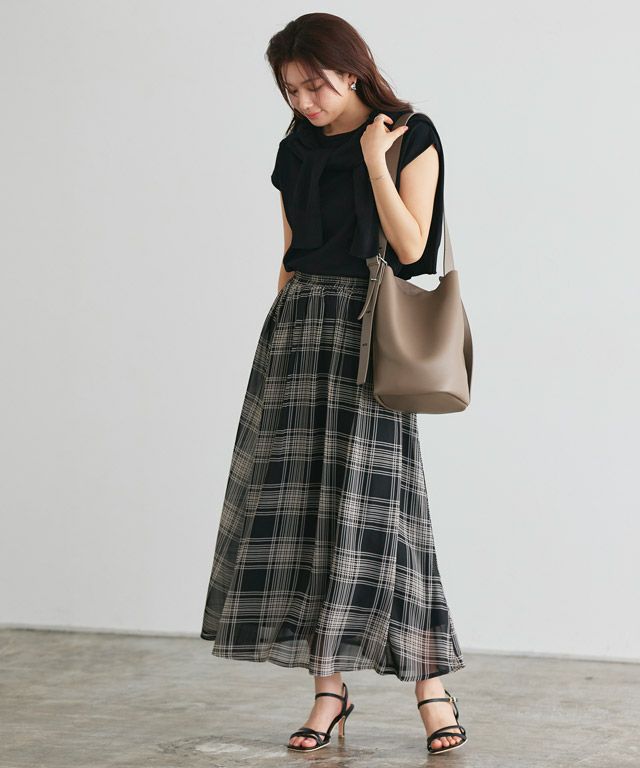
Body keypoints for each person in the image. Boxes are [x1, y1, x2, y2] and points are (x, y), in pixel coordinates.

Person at [200, 12, 468, 756]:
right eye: (290, 91)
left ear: (351, 71)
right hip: (298, 335)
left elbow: (412, 248)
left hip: (372, 334)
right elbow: (290, 253)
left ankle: (431, 688)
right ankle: (328, 692)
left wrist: (374, 160)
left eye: (314, 85)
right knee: (305, 517)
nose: (304, 102)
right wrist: (283, 323)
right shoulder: (295, 146)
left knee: (386, 516)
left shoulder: (409, 134)